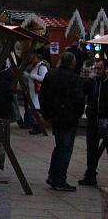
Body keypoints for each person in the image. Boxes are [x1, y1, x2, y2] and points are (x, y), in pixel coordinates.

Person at [39, 51, 86, 191]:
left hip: (55, 116)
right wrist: (78, 114)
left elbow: (43, 94)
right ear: (72, 63)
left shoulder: (51, 75)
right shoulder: (75, 78)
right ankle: (59, 179)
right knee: (65, 148)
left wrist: (46, 113)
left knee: (59, 146)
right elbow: (79, 99)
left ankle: (53, 175)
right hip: (69, 117)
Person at [79, 58, 108, 186]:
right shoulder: (92, 81)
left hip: (105, 119)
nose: (97, 71)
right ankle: (90, 175)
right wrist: (89, 80)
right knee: (91, 148)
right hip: (93, 119)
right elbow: (83, 92)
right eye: (95, 68)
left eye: (100, 68)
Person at [24, 51, 49, 134]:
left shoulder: (42, 67)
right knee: (33, 110)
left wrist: (32, 76)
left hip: (37, 92)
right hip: (32, 91)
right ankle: (36, 126)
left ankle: (39, 127)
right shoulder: (34, 66)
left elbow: (43, 78)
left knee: (36, 110)